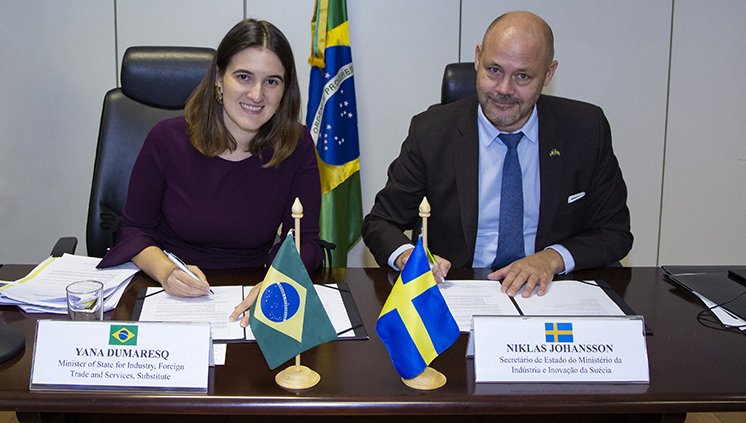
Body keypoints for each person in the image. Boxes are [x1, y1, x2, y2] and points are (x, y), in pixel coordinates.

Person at [362, 11, 632, 298]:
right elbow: (381, 222)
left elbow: (614, 233)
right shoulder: (431, 132)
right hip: (458, 290)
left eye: (522, 76)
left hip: (550, 293)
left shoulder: (586, 130)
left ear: (548, 74)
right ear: (478, 58)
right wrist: (409, 257)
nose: (504, 89)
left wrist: (552, 258)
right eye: (494, 70)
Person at [98, 19, 323, 305]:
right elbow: (134, 229)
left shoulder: (296, 144)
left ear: (284, 90)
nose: (257, 94)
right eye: (244, 77)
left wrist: (279, 279)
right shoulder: (166, 139)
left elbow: (305, 241)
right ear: (219, 79)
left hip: (253, 288)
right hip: (168, 290)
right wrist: (167, 272)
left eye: (271, 81)